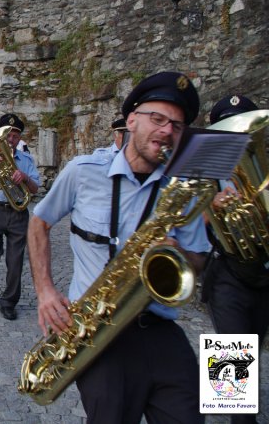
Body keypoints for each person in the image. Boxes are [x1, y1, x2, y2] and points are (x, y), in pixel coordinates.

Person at [27, 71, 209, 423]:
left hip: (163, 327)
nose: (167, 131)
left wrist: (178, 251)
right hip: (101, 334)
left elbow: (199, 256)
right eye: (158, 119)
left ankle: (241, 412)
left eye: (177, 125)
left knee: (215, 391)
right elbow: (40, 220)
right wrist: (45, 291)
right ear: (131, 121)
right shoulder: (83, 171)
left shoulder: (185, 186)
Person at [202, 94, 269, 424]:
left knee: (253, 346)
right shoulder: (206, 172)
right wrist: (211, 208)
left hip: (263, 272)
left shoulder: (262, 167)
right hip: (227, 273)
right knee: (231, 366)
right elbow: (186, 223)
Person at [0, 113, 40, 320]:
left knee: (15, 262)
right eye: (8, 136)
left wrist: (25, 177)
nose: (11, 140)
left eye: (15, 136)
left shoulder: (26, 159)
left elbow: (35, 188)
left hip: (18, 212)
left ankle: (9, 302)